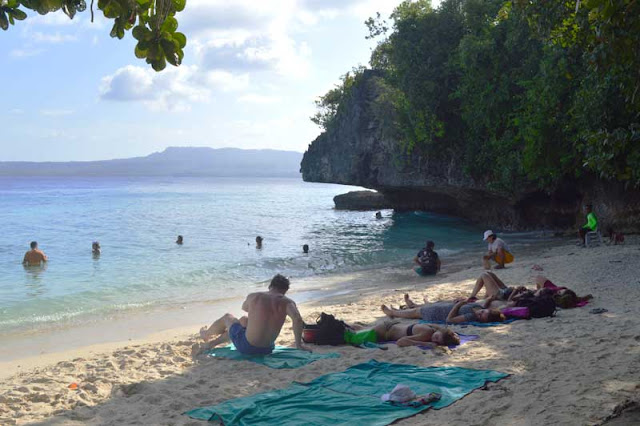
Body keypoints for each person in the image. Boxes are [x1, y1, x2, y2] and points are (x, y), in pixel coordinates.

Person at [192, 274, 308, 356]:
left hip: (247, 347)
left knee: (228, 317)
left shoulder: (255, 296)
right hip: (267, 349)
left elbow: (244, 308)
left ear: (270, 286)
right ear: (285, 290)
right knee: (243, 321)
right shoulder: (287, 302)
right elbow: (297, 320)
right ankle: (212, 343)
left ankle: (206, 334)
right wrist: (298, 344)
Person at [381, 295, 505, 324]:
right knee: (427, 306)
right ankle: (411, 304)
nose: (479, 313)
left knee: (415, 313)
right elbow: (486, 305)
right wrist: (490, 298)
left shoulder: (471, 317)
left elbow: (450, 320)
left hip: (439, 314)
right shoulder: (480, 308)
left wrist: (458, 305)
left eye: (480, 316)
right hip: (445, 307)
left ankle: (392, 313)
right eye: (482, 312)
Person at [373, 320, 460, 347]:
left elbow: (446, 330)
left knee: (362, 330)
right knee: (360, 336)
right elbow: (400, 341)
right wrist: (425, 343)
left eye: (437, 341)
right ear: (439, 332)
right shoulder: (427, 334)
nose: (433, 339)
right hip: (385, 331)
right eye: (436, 337)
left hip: (391, 325)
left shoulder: (434, 328)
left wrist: (454, 335)